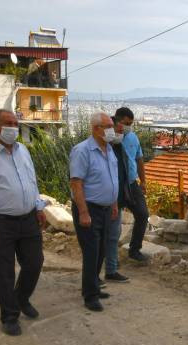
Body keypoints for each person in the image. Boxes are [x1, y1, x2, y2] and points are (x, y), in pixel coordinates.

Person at [0, 109, 47, 336]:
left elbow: (31, 181)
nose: (14, 127)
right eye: (8, 123)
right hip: (0, 222)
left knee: (34, 263)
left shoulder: (23, 150)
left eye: (15, 122)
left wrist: (38, 206)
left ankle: (21, 299)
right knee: (4, 272)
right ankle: (10, 316)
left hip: (29, 218)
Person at [69, 112, 118, 312]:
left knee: (101, 251)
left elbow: (112, 177)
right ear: (96, 128)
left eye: (111, 126)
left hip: (106, 209)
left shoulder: (109, 149)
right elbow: (76, 182)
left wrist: (114, 204)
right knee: (91, 252)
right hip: (89, 209)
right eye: (107, 126)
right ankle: (90, 296)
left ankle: (93, 286)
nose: (111, 130)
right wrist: (83, 212)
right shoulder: (82, 151)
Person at [114, 107, 150, 262]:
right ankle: (111, 257)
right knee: (113, 221)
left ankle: (135, 249)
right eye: (125, 123)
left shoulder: (133, 137)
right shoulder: (110, 138)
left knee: (142, 214)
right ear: (116, 121)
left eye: (130, 123)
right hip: (115, 185)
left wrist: (143, 181)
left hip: (131, 183)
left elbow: (139, 159)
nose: (128, 126)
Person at [102, 116, 129, 283]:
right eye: (118, 131)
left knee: (113, 235)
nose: (121, 134)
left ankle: (111, 269)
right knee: (99, 238)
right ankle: (93, 278)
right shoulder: (93, 150)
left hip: (115, 201)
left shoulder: (117, 149)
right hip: (97, 203)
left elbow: (121, 175)